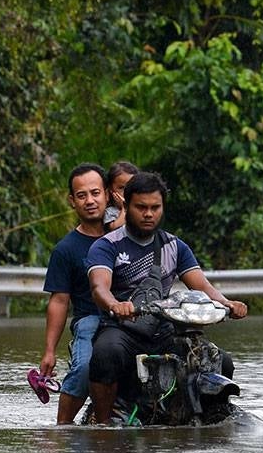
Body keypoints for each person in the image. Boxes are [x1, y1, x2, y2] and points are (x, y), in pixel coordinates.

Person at [86, 171, 248, 424]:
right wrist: (115, 305)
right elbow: (99, 286)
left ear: (162, 208)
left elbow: (201, 284)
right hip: (122, 330)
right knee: (105, 354)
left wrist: (227, 304)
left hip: (163, 331)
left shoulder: (175, 246)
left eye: (155, 207)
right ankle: (103, 424)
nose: (148, 214)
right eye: (141, 207)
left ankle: (208, 418)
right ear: (126, 207)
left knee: (221, 360)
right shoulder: (108, 245)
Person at [37, 162, 109, 424]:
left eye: (95, 193)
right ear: (72, 201)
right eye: (82, 195)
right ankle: (62, 427)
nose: (90, 201)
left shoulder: (126, 236)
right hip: (90, 319)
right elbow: (59, 300)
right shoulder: (65, 249)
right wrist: (49, 351)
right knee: (84, 368)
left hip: (130, 317)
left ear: (108, 194)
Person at [103, 160, 139, 232]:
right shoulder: (110, 211)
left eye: (131, 187)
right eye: (121, 188)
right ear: (111, 189)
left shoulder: (138, 209)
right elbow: (115, 228)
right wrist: (124, 207)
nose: (127, 192)